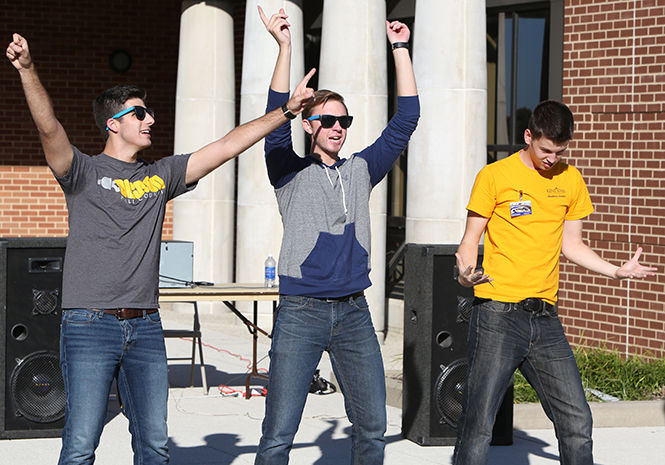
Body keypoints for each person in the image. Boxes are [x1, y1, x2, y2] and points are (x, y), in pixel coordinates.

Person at [6, 33, 314, 465]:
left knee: (155, 446)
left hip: (146, 327)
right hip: (89, 325)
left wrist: (285, 112)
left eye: (149, 111)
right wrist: (27, 69)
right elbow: (48, 126)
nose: (150, 118)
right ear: (113, 123)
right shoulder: (83, 173)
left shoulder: (162, 174)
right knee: (79, 447)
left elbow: (227, 145)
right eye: (140, 113)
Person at [254, 6, 419, 465]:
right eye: (327, 121)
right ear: (309, 125)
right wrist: (285, 46)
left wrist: (400, 49)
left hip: (353, 313)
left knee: (372, 428)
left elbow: (407, 118)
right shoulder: (288, 172)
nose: (337, 129)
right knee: (278, 433)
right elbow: (272, 122)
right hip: (301, 312)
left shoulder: (362, 170)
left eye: (344, 121)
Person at [453, 100, 657, 465]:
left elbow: (572, 245)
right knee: (478, 424)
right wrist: (465, 274)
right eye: (546, 150)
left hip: (545, 320)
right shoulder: (495, 176)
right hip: (497, 313)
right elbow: (470, 240)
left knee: (577, 420)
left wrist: (615, 271)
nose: (552, 158)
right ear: (528, 136)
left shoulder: (570, 179)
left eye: (560, 152)